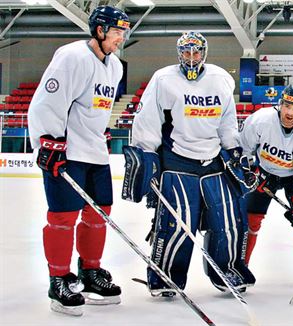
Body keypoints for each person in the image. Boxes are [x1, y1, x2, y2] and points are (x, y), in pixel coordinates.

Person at [122, 31, 255, 296]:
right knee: (177, 223)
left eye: (196, 52)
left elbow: (227, 122)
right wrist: (146, 155)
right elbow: (148, 120)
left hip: (213, 161)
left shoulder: (221, 80)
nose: (191, 57)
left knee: (229, 221)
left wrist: (234, 148)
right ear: (179, 52)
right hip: (177, 160)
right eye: (186, 51)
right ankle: (165, 276)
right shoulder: (163, 79)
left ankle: (227, 270)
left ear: (204, 53)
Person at [27, 5, 129, 316]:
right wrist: (48, 143)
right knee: (63, 217)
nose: (120, 39)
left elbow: (95, 107)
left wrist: (103, 131)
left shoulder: (115, 67)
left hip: (95, 152)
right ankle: (58, 279)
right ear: (99, 31)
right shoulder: (71, 57)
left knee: (100, 213)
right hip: (66, 151)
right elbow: (46, 103)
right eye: (116, 32)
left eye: (124, 33)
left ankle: (90, 272)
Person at [240, 85, 293, 283]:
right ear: (280, 105)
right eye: (287, 106)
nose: (290, 112)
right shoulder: (261, 120)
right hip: (265, 171)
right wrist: (253, 173)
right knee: (250, 219)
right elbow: (245, 150)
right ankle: (241, 265)